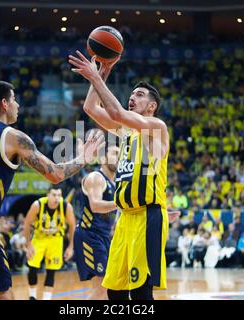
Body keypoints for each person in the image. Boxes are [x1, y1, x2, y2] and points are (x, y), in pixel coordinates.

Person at [0, 81, 103, 300]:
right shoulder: (13, 137)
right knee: (2, 293)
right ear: (4, 104)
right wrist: (84, 158)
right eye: (14, 100)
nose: (18, 105)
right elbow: (56, 174)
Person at [69, 51, 177, 300]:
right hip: (125, 219)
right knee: (115, 292)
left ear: (152, 106)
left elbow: (116, 113)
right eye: (131, 94)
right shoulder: (127, 132)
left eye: (139, 95)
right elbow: (90, 107)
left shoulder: (157, 128)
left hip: (148, 216)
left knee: (141, 293)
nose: (131, 97)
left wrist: (96, 77)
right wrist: (103, 73)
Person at [73, 144, 120, 300]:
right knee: (101, 286)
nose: (119, 157)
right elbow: (96, 205)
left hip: (104, 237)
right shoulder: (96, 178)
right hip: (90, 235)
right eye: (115, 153)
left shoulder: (116, 184)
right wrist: (122, 203)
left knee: (107, 287)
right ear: (103, 158)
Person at [23, 187, 76, 300]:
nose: (57, 198)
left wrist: (71, 247)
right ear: (47, 195)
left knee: (51, 271)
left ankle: (46, 298)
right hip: (39, 238)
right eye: (54, 195)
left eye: (59, 195)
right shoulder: (37, 205)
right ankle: (32, 295)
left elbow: (72, 226)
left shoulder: (66, 207)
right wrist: (28, 245)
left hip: (56, 239)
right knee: (32, 267)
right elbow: (27, 224)